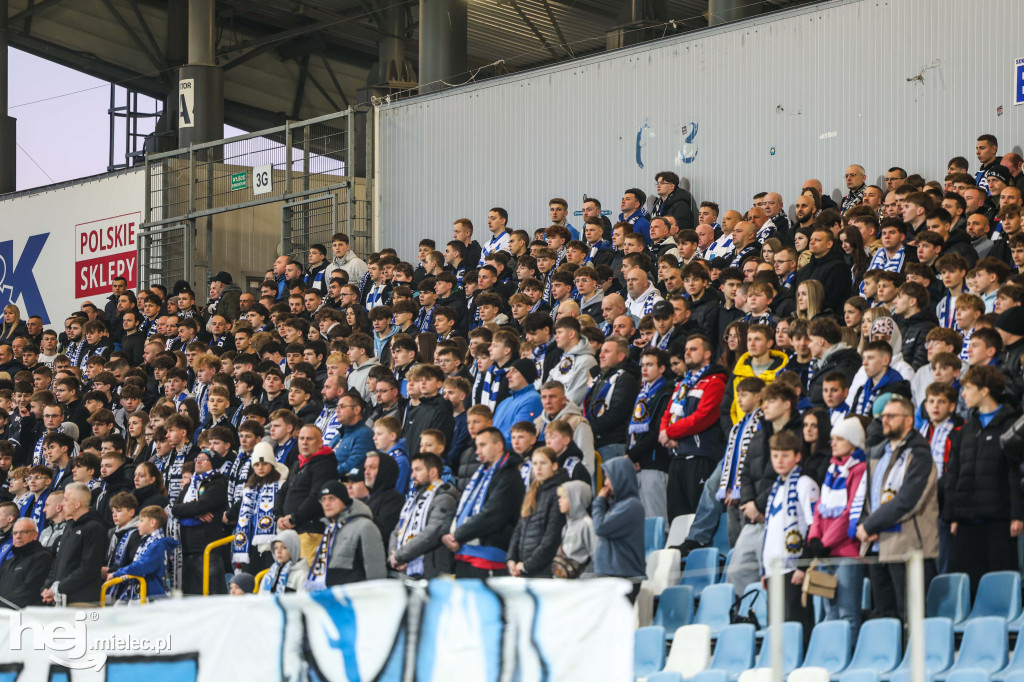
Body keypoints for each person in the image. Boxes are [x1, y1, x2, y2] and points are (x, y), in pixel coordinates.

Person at [856, 396, 938, 621]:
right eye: (883, 416)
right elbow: (867, 497)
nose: (885, 420)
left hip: (906, 545)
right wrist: (865, 525)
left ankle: (914, 657)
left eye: (891, 416)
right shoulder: (878, 452)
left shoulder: (920, 455)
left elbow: (908, 500)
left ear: (909, 421)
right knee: (884, 615)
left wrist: (871, 524)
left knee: (908, 615)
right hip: (877, 545)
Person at [944, 366, 1022, 596]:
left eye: (968, 388)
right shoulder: (965, 431)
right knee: (971, 587)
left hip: (1000, 519)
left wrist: (1018, 514)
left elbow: (1015, 473)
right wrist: (953, 516)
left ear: (985, 390)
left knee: (1000, 587)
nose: (963, 394)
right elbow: (953, 475)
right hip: (967, 521)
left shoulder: (1011, 426)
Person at [805, 417, 868, 640]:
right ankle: (829, 656)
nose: (833, 443)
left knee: (847, 613)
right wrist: (814, 537)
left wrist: (825, 542)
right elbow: (820, 508)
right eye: (832, 439)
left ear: (852, 441)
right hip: (826, 553)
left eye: (839, 439)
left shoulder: (860, 469)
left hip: (847, 553)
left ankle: (847, 659)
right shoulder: (833, 469)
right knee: (829, 612)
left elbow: (850, 511)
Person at [760, 430, 819, 645]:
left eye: (785, 455)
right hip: (774, 569)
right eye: (775, 455)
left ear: (797, 456)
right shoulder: (776, 487)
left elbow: (814, 526)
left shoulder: (805, 483)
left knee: (797, 629)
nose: (780, 461)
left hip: (794, 569)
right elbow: (770, 531)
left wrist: (802, 565)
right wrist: (764, 570)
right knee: (777, 633)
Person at [442, 427, 525, 578]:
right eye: (477, 446)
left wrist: (457, 535)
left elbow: (493, 515)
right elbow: (459, 505)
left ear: (499, 446)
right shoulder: (480, 474)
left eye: (483, 445)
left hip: (490, 557)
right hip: (464, 553)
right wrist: (446, 532)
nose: (478, 451)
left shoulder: (509, 476)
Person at [659, 335, 727, 518]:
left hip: (700, 457)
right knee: (677, 518)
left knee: (698, 516)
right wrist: (663, 431)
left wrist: (669, 432)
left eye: (693, 349)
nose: (687, 353)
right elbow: (668, 412)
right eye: (686, 349)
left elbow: (702, 418)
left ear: (707, 354)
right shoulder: (684, 383)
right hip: (676, 458)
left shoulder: (715, 382)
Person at [388, 452, 458, 579]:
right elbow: (397, 530)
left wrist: (400, 556)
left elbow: (432, 533)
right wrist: (394, 554)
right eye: (412, 470)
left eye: (418, 470)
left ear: (433, 472)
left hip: (432, 571)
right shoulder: (414, 498)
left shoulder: (444, 498)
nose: (413, 475)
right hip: (406, 568)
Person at [305, 480, 386, 589]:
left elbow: (376, 571)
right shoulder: (330, 529)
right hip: (331, 598)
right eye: (323, 499)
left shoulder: (365, 526)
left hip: (355, 600)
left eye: (332, 498)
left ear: (344, 500)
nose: (327, 503)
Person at [507, 447, 569, 578]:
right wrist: (511, 559)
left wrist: (527, 566)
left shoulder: (559, 493)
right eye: (535, 463)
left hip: (544, 571)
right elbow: (519, 528)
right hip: (523, 568)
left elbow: (551, 538)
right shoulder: (532, 492)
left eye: (543, 463)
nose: (538, 468)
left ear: (554, 465)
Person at [173, 449, 228, 595]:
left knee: (213, 596)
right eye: (198, 458)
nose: (198, 461)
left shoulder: (218, 483)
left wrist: (191, 510)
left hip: (208, 549)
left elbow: (202, 505)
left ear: (214, 463)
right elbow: (175, 509)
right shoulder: (190, 485)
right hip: (186, 550)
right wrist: (194, 514)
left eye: (204, 459)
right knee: (189, 598)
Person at [42, 482, 106, 606]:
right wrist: (48, 587)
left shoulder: (94, 528)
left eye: (66, 500)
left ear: (77, 504)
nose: (62, 504)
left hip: (83, 600)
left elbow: (89, 569)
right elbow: (58, 562)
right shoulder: (69, 527)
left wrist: (58, 588)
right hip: (62, 599)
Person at [593, 457, 646, 602]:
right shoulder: (617, 506)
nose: (605, 484)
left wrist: (599, 502)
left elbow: (600, 527)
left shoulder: (631, 506)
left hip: (623, 576)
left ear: (620, 478)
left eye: (608, 478)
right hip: (610, 575)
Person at [232, 442, 289, 573]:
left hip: (271, 542)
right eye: (257, 465)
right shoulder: (249, 488)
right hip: (250, 541)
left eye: (264, 464)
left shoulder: (281, 484)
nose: (261, 468)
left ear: (272, 464)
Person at [110, 505, 179, 602]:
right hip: (144, 592)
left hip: (151, 595)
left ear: (152, 523)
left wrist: (117, 574)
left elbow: (142, 566)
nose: (138, 524)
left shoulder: (157, 544)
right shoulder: (148, 542)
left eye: (141, 521)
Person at [0, 517, 53, 607]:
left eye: (23, 532)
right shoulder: (7, 563)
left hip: (28, 617)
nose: (18, 536)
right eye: (15, 533)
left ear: (35, 535)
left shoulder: (43, 557)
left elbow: (29, 591)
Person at [553, 480, 595, 578]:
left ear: (575, 499)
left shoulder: (587, 524)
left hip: (582, 586)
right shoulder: (566, 527)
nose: (559, 500)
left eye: (564, 497)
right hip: (567, 586)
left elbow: (596, 557)